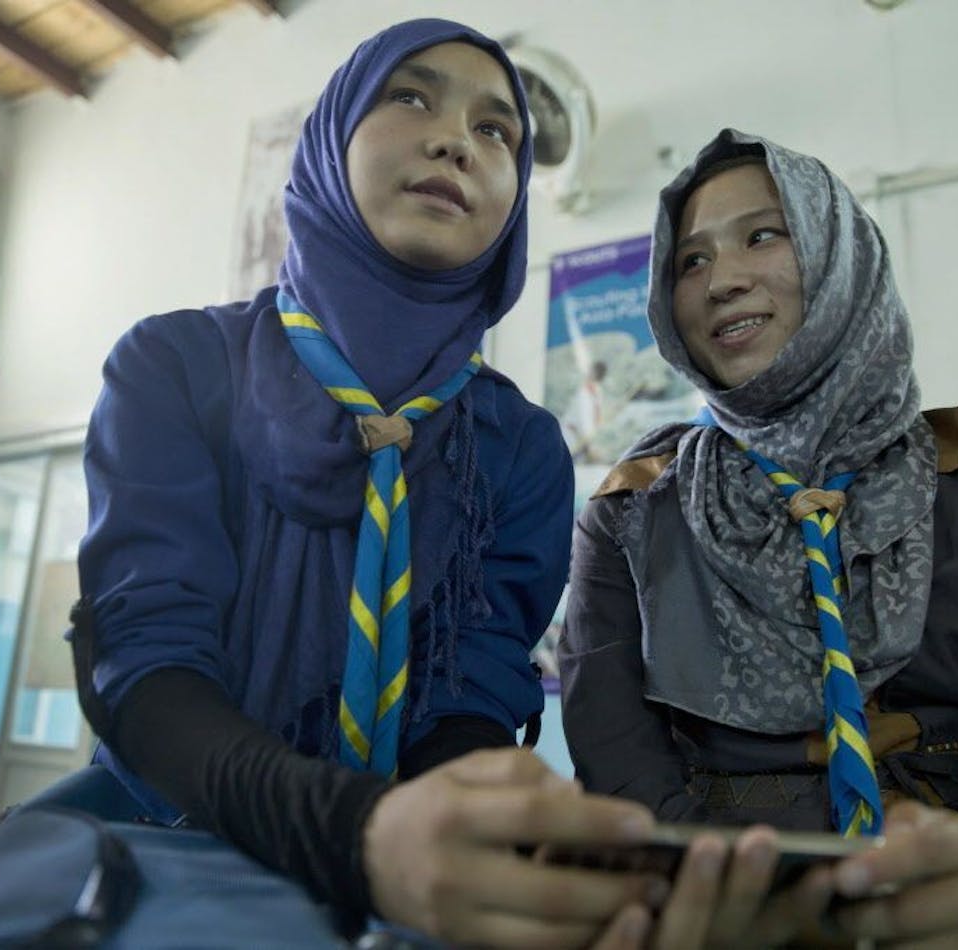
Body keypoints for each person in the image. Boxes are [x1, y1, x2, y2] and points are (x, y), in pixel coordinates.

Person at [68, 20, 679, 947]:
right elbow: (147, 663)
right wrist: (350, 833)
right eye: (411, 97)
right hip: (160, 845)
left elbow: (472, 694)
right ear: (329, 138)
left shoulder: (518, 446)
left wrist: (477, 828)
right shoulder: (176, 366)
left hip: (409, 876)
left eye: (496, 132)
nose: (454, 142)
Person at [560, 130, 958, 947]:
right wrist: (722, 899)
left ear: (840, 256)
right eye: (689, 261)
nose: (723, 280)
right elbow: (621, 776)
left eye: (764, 234)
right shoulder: (633, 514)